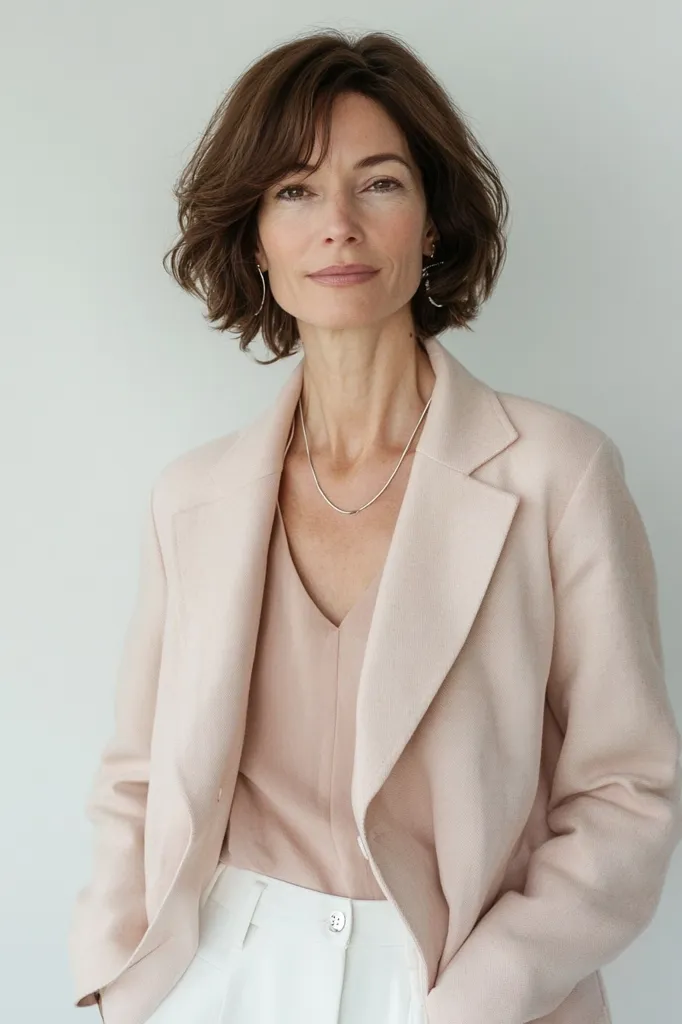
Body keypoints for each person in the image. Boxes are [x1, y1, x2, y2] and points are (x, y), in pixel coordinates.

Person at [68, 28, 682, 1024]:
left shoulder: (558, 474)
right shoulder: (193, 498)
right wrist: (111, 982)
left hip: (456, 983)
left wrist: (480, 995)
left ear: (433, 222)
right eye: (295, 190)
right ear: (254, 237)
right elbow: (135, 778)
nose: (338, 226)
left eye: (380, 183)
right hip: (218, 975)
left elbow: (625, 792)